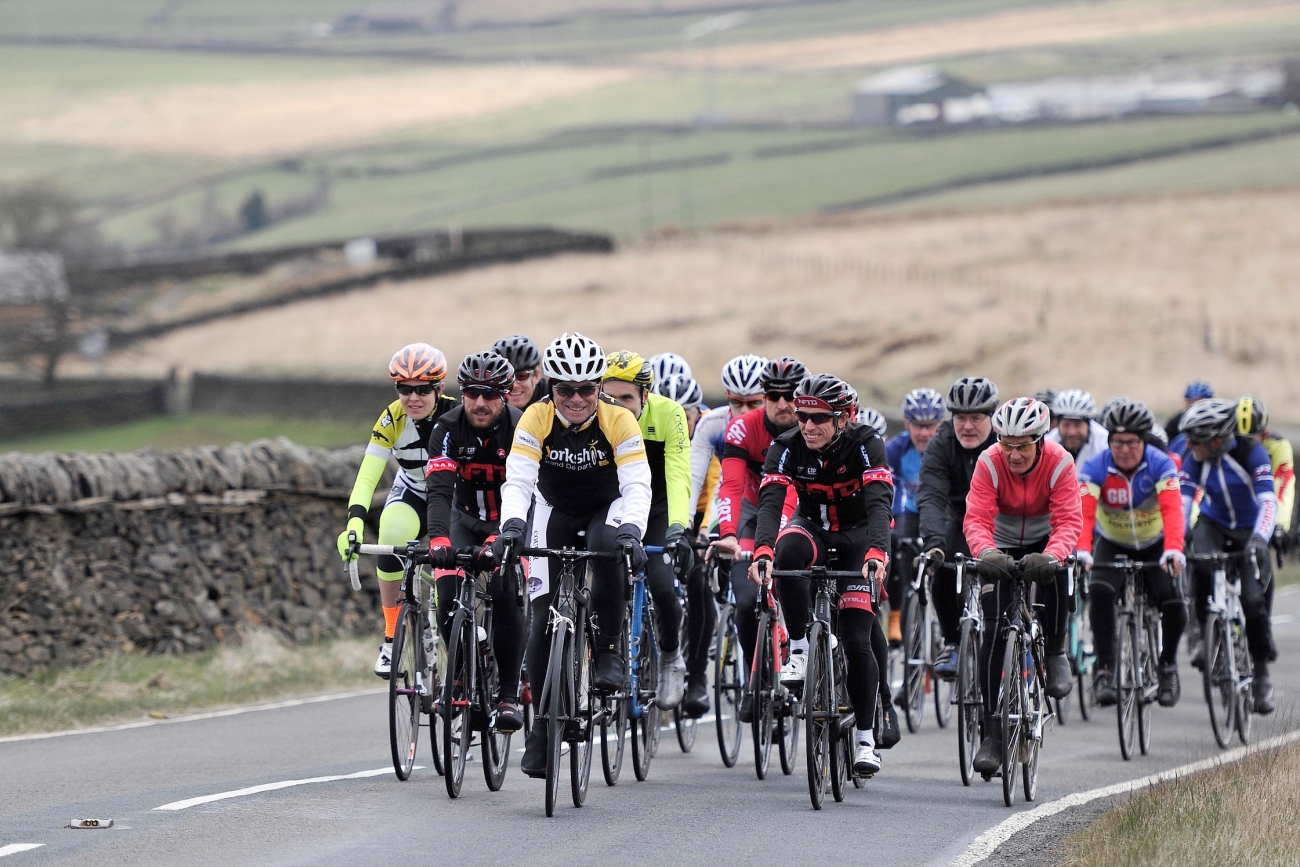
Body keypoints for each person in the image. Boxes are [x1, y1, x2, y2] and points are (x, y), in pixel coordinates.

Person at [492, 332, 653, 776]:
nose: (577, 399)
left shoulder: (619, 419)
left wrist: (633, 534)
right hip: (554, 509)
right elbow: (519, 481)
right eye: (566, 390)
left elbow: (637, 484)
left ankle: (607, 651)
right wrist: (512, 527)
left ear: (599, 387)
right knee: (542, 617)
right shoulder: (535, 418)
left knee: (607, 549)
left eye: (587, 389)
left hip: (607, 507)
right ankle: (542, 733)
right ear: (553, 389)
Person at [749, 374, 894, 777]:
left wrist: (877, 552)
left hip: (860, 535)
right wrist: (762, 550)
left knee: (856, 638)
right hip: (811, 525)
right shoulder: (785, 445)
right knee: (786, 553)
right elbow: (771, 501)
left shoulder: (866, 443)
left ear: (844, 418)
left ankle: (866, 740)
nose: (808, 426)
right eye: (802, 416)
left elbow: (881, 503)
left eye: (819, 418)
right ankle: (799, 648)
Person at [965, 397, 1082, 774]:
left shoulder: (1060, 461)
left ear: (1041, 441)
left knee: (1061, 572)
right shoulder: (988, 462)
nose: (1013, 454)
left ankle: (1056, 651)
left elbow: (1068, 521)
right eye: (1006, 444)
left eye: (1023, 446)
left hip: (1045, 540)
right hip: (998, 543)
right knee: (995, 630)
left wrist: (1053, 555)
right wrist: (985, 553)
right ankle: (991, 732)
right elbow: (976, 518)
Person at [337, 343, 456, 677]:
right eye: (404, 389)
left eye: (422, 389)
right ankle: (391, 638)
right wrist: (355, 523)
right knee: (390, 535)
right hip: (414, 493)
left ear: (439, 389)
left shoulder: (456, 416)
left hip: (453, 497)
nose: (412, 397)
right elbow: (366, 477)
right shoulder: (392, 417)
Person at [424, 351, 526, 730]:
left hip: (510, 521)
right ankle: (463, 677)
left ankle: (508, 696)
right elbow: (437, 491)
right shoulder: (446, 429)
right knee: (448, 595)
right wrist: (437, 538)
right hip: (463, 517)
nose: (479, 403)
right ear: (461, 393)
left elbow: (532, 491)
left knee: (506, 591)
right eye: (471, 394)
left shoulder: (520, 428)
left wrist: (506, 537)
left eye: (490, 395)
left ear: (505, 395)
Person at [708, 357, 807, 721]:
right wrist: (729, 535)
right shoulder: (741, 429)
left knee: (795, 571)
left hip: (800, 511)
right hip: (752, 510)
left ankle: (801, 651)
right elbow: (730, 487)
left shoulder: (810, 428)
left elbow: (792, 496)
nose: (783, 404)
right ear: (764, 397)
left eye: (790, 396)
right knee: (748, 598)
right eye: (774, 396)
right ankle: (758, 678)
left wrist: (775, 539)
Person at [1076, 398, 1186, 708]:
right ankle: (1106, 671)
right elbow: (1084, 515)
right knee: (1098, 592)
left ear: (1144, 440)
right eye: (1118, 442)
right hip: (1113, 542)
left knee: (1175, 601)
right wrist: (1083, 551)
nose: (1124, 449)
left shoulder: (1160, 464)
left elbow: (1173, 511)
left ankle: (1167, 667)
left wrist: (1174, 550)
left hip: (1155, 544)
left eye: (1132, 442)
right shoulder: (1095, 467)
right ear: (1109, 441)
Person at [601, 350, 694, 709]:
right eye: (611, 398)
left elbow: (678, 474)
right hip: (616, 504)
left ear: (645, 394)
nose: (619, 407)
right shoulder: (597, 415)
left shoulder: (669, 414)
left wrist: (676, 530)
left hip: (657, 508)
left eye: (627, 398)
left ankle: (670, 656)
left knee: (661, 583)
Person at [1180, 398, 1278, 714]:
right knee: (1200, 560)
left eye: (1196, 439)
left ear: (1217, 439)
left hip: (1250, 529)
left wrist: (1260, 540)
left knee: (1252, 602)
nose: (1189, 445)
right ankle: (1200, 628)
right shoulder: (1195, 457)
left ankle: (1261, 674)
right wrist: (1178, 536)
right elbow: (1182, 502)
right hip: (1215, 522)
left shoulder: (1252, 452)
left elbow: (1268, 501)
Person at [916, 376, 1000, 680]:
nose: (967, 426)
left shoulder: (1006, 442)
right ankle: (952, 641)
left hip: (1001, 518)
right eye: (960, 418)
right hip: (960, 516)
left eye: (976, 418)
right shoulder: (942, 442)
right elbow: (931, 495)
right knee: (942, 568)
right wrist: (934, 543)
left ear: (992, 417)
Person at [656, 371, 719, 717]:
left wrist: (705, 532)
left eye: (687, 413)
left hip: (698, 516)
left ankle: (696, 678)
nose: (679, 419)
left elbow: (714, 485)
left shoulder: (707, 435)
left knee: (698, 580)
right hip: (660, 513)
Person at [884, 388, 945, 646]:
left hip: (941, 511)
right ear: (907, 423)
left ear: (940, 424)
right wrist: (894, 526)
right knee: (899, 551)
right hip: (909, 510)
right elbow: (892, 488)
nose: (924, 433)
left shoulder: (946, 447)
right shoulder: (896, 449)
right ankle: (900, 613)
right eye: (918, 426)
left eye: (930, 426)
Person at [1237, 395, 1295, 554]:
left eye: (1253, 439)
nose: (1247, 446)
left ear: (1264, 433)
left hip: (1262, 508)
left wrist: (1280, 524)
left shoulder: (1278, 446)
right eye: (1241, 440)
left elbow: (1283, 485)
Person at [1046, 389, 1108, 465]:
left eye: (1078, 425)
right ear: (1057, 425)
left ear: (1089, 425)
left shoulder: (1105, 445)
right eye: (1066, 425)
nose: (1072, 432)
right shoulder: (1046, 445)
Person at [492, 334, 547, 409]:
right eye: (505, 378)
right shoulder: (486, 401)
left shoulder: (555, 400)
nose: (514, 385)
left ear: (536, 376)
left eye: (522, 376)